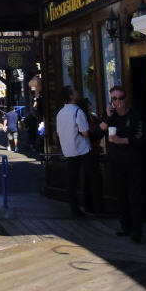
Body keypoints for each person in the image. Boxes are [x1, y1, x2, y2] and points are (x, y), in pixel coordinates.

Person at [101, 85, 146, 243]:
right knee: (121, 195)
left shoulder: (134, 116)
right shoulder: (111, 116)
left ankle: (136, 231)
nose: (118, 101)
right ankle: (126, 227)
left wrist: (121, 141)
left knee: (134, 196)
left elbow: (140, 138)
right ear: (111, 100)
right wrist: (107, 117)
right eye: (115, 98)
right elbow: (99, 131)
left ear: (126, 99)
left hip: (133, 162)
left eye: (120, 98)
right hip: (116, 162)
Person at [56, 86, 91, 218]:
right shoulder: (77, 111)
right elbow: (85, 132)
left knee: (72, 181)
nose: (78, 92)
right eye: (75, 91)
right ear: (71, 96)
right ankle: (90, 205)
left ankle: (74, 209)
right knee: (89, 177)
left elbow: (58, 133)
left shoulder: (60, 113)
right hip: (82, 149)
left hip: (69, 151)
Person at [78, 97, 105, 215]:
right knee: (94, 179)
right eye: (88, 105)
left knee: (89, 179)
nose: (91, 107)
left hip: (92, 149)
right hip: (89, 150)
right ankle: (97, 208)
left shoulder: (91, 117)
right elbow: (90, 134)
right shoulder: (84, 118)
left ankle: (89, 206)